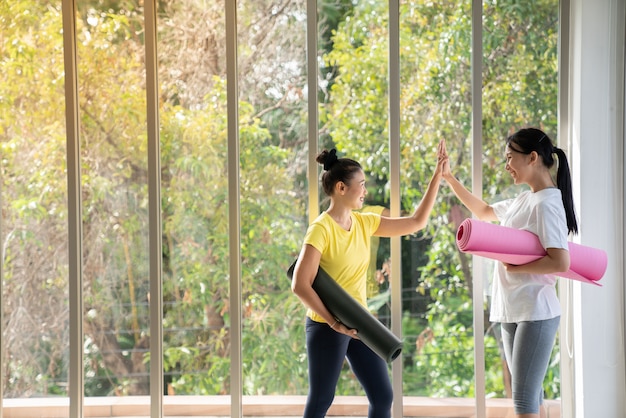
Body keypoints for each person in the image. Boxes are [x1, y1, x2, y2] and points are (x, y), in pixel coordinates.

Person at [291, 142, 447, 418]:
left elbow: (416, 222)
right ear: (341, 188)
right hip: (326, 325)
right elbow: (300, 284)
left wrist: (438, 176)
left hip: (359, 320)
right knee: (322, 399)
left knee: (382, 395)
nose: (365, 191)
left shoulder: (364, 222)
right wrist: (333, 322)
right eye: (360, 185)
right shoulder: (321, 229)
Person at [439, 128, 577, 418]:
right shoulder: (526, 199)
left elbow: (560, 262)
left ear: (533, 158)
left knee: (524, 400)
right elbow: (486, 210)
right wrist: (449, 178)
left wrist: (518, 267)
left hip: (536, 310)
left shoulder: (547, 203)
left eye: (510, 158)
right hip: (513, 309)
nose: (506, 166)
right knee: (531, 395)